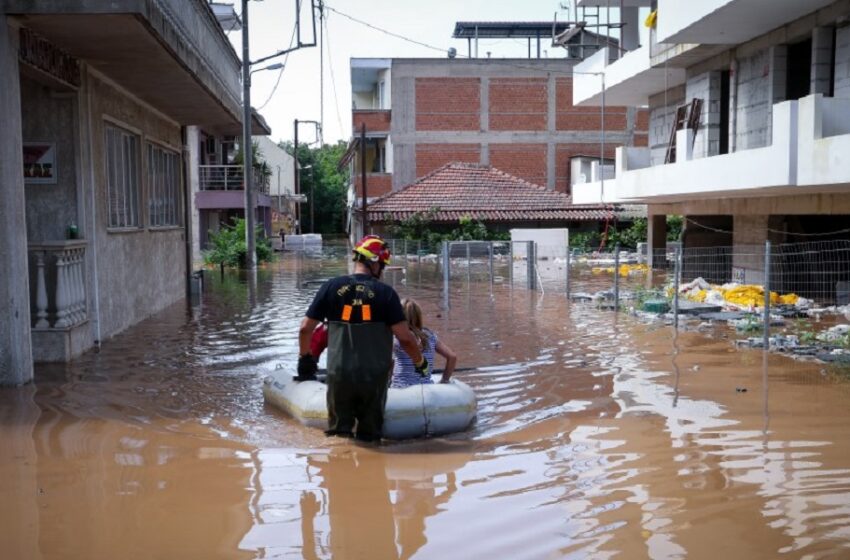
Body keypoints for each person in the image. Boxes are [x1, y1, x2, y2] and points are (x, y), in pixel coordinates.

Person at [298, 235, 428, 441]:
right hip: (373, 378)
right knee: (371, 436)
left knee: (338, 435)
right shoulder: (386, 294)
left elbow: (305, 329)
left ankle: (340, 466)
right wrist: (421, 363)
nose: (383, 270)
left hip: (339, 374)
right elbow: (406, 339)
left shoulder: (330, 288)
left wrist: (305, 359)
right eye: (382, 265)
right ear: (374, 262)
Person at [391, 299, 457, 388]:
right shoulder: (430, 336)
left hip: (401, 387)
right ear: (419, 316)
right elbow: (452, 357)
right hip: (426, 388)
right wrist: (444, 381)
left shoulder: (397, 337)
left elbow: (384, 362)